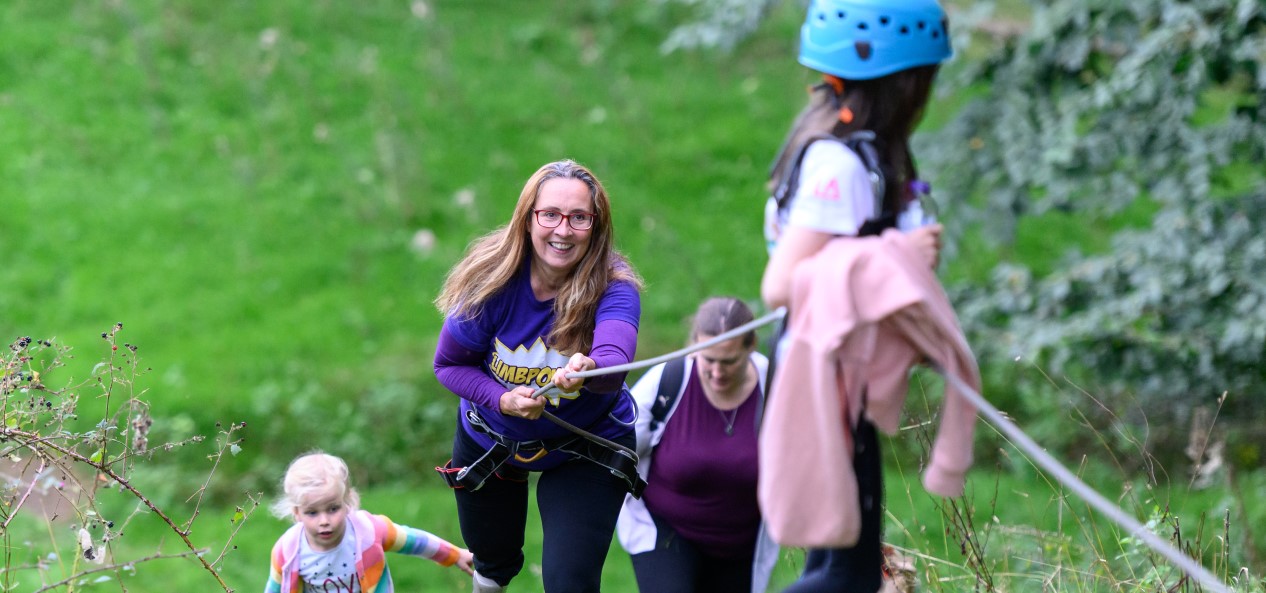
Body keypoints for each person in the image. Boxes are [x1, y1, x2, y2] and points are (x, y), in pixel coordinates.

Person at [758, 1, 956, 592]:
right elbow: (783, 284)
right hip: (818, 373)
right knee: (847, 574)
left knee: (840, 559)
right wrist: (896, 257)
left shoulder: (858, 150)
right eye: (924, 80)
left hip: (841, 369)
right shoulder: (839, 164)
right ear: (903, 83)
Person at [432, 159, 644, 593]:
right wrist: (502, 399)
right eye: (550, 214)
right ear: (527, 218)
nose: (563, 230)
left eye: (579, 218)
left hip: (587, 441)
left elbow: (614, 357)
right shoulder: (490, 282)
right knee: (493, 564)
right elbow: (449, 365)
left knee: (570, 582)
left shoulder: (614, 286)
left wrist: (590, 368)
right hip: (491, 433)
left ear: (596, 225)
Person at [616, 296, 771, 593]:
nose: (716, 372)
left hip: (743, 542)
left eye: (728, 362)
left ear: (751, 347)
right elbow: (617, 441)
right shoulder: (668, 381)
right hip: (666, 530)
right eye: (708, 360)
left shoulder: (776, 385)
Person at [264, 450, 474, 593]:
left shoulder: (368, 532)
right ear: (296, 513)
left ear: (347, 502)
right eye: (312, 513)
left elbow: (412, 541)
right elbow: (274, 588)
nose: (324, 521)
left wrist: (454, 554)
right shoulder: (288, 550)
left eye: (333, 508)